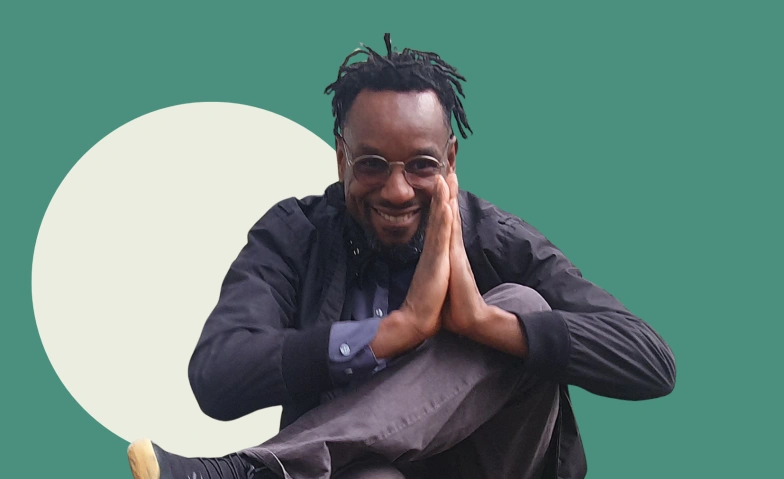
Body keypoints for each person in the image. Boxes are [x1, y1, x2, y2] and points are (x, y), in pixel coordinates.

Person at [126, 33, 676, 479]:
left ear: (450, 159)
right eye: (371, 164)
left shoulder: (496, 239)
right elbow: (217, 375)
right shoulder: (295, 234)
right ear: (341, 158)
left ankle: (262, 474)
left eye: (421, 165)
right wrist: (394, 332)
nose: (397, 190)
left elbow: (651, 362)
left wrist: (483, 322)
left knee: (523, 304)